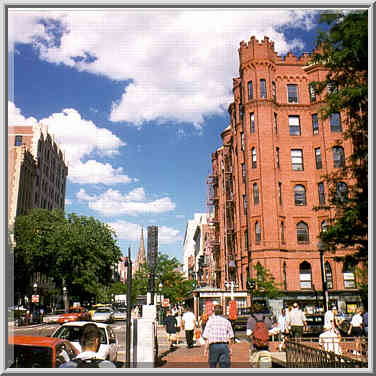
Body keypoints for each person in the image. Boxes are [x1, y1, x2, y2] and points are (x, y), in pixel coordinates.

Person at [247, 303, 273, 367]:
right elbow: (271, 331)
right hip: (265, 347)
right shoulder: (266, 319)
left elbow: (248, 333)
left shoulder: (251, 319)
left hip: (254, 347)